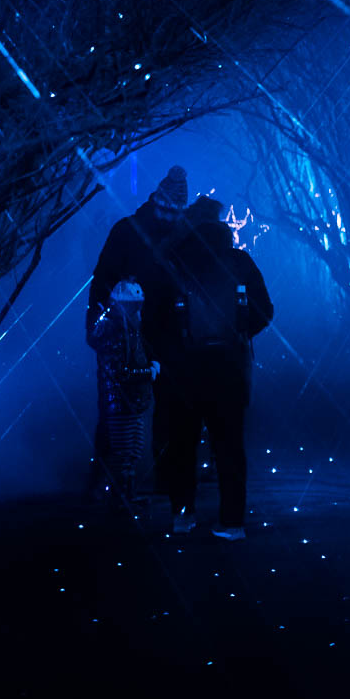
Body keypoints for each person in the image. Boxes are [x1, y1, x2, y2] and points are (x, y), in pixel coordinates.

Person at [159, 194, 273, 539]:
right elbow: (265, 310)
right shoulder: (239, 261)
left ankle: (183, 515)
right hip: (230, 366)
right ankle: (232, 521)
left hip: (185, 368)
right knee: (229, 445)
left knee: (182, 443)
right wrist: (240, 333)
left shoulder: (174, 259)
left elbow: (157, 314)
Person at [90, 165, 195, 495]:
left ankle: (148, 477)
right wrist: (97, 327)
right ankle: (107, 478)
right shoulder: (132, 232)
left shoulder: (136, 231)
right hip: (130, 333)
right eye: (165, 211)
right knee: (117, 408)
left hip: (158, 334)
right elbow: (102, 279)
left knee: (152, 406)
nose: (167, 218)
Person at [83, 277, 160, 505]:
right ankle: (120, 497)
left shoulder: (125, 327)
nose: (138, 310)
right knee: (125, 452)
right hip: (121, 400)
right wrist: (148, 372)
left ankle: (125, 495)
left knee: (132, 450)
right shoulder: (115, 328)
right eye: (134, 305)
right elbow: (121, 371)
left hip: (129, 400)